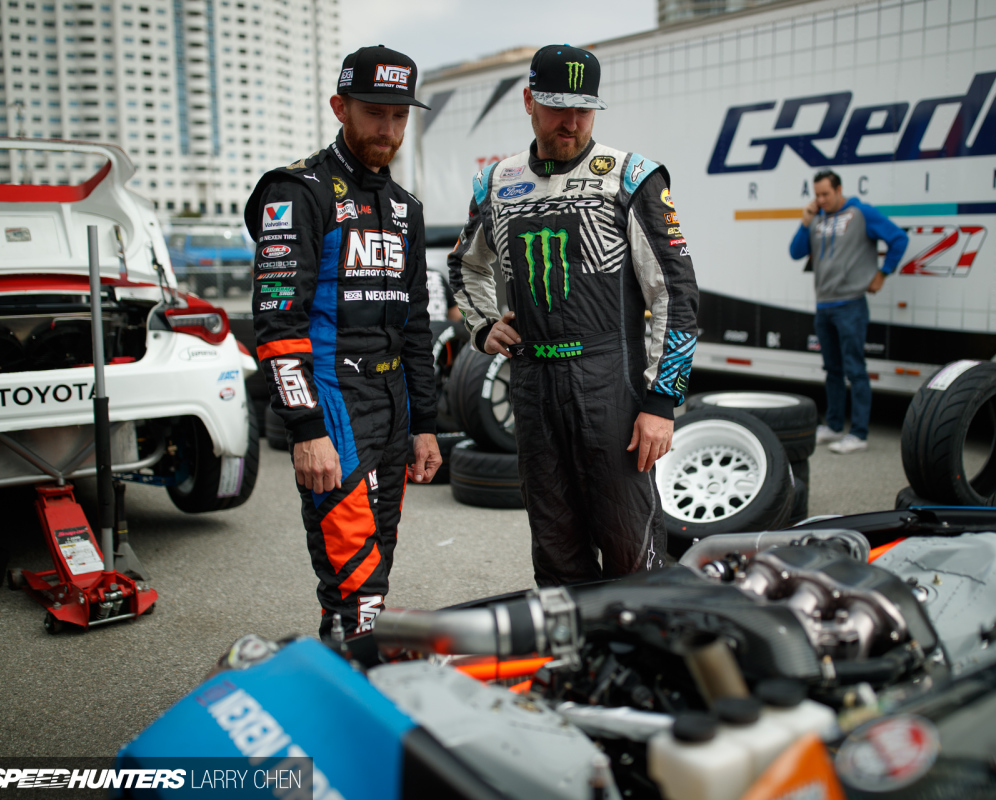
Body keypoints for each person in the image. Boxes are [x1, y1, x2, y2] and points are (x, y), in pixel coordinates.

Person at [449, 44, 699, 586]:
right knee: (556, 552)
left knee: (630, 547)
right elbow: (465, 267)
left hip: (612, 382)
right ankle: (575, 666)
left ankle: (645, 660)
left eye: (584, 107)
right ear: (529, 101)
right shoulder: (496, 183)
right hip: (533, 385)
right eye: (558, 105)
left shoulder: (631, 176)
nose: (572, 121)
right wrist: (482, 326)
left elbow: (675, 292)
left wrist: (661, 400)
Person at [245, 45, 442, 640]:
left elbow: (415, 327)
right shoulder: (297, 192)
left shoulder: (405, 209)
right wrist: (304, 430)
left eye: (400, 115)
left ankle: (353, 678)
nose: (388, 129)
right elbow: (277, 325)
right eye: (374, 112)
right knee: (353, 577)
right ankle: (348, 692)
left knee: (376, 567)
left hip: (392, 402)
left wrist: (424, 422)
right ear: (340, 107)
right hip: (333, 399)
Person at [790, 170, 908, 454]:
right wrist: (805, 221)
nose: (820, 199)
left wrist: (883, 274)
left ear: (839, 189)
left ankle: (858, 434)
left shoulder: (860, 213)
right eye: (816, 194)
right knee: (832, 370)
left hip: (851, 305)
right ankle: (832, 426)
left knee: (855, 370)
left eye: (825, 194)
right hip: (824, 305)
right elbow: (795, 252)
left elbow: (898, 239)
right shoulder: (816, 218)